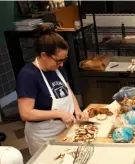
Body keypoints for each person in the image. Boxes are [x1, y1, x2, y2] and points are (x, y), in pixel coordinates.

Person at [16, 26, 88, 156]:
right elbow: (25, 113)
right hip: (43, 135)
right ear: (44, 55)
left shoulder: (57, 68)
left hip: (64, 128)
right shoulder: (28, 75)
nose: (61, 64)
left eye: (64, 60)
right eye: (59, 60)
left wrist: (77, 110)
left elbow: (68, 90)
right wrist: (58, 113)